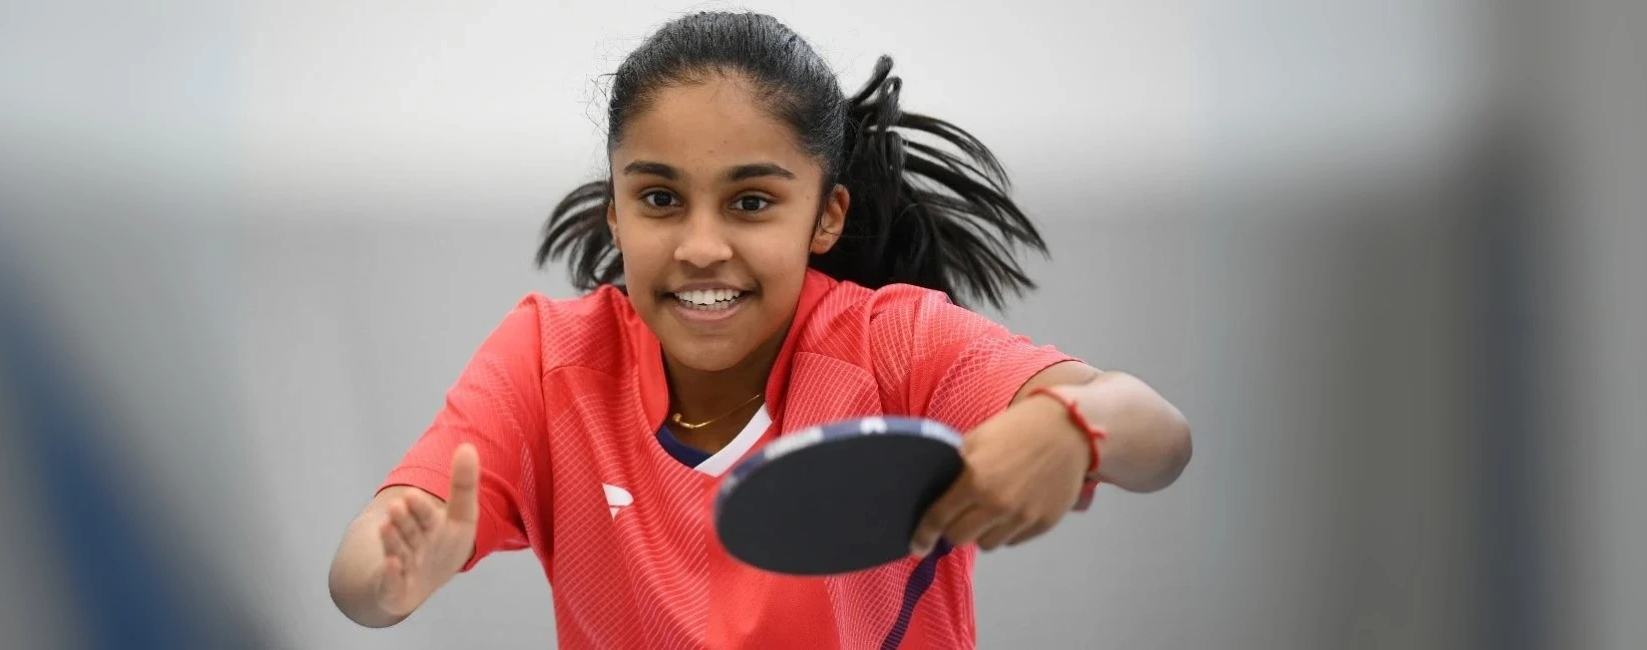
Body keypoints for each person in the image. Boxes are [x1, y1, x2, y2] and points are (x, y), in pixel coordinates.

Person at [328, 11, 1191, 649]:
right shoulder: (548, 359)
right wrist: (392, 581)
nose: (702, 246)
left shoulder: (895, 344)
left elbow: (1159, 436)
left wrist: (1069, 427)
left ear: (825, 216)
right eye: (659, 198)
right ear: (616, 212)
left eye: (750, 202)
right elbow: (366, 569)